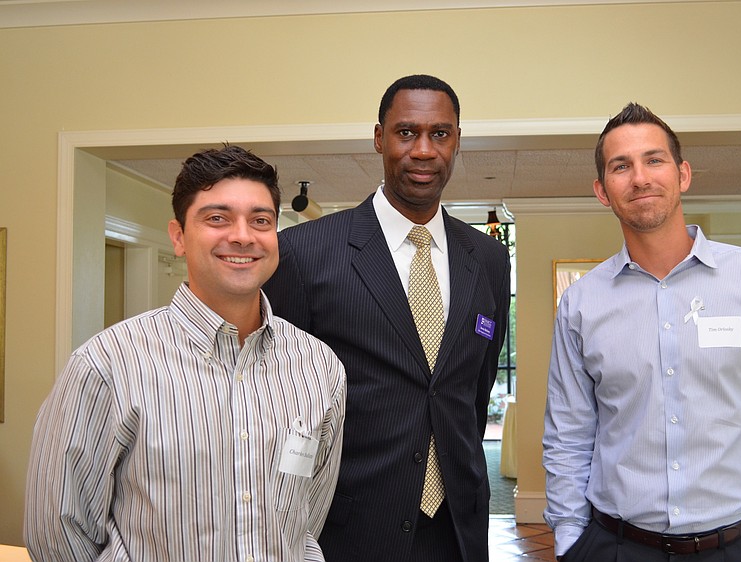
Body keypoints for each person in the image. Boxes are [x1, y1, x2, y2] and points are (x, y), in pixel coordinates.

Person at [25, 145, 346, 562]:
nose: (243, 236)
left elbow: (306, 516)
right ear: (178, 237)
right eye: (217, 218)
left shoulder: (319, 367)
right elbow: (57, 534)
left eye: (260, 220)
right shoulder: (107, 365)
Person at [542, 103, 741, 562]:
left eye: (654, 160)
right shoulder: (580, 304)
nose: (640, 178)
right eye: (621, 166)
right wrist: (570, 540)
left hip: (733, 547)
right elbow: (568, 434)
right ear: (602, 190)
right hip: (614, 546)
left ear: (683, 174)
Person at [263, 74, 511, 562]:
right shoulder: (304, 252)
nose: (424, 150)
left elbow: (474, 389)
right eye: (406, 132)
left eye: (440, 134)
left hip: (458, 525)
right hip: (352, 527)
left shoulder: (488, 258)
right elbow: (280, 400)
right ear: (380, 138)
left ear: (457, 141)